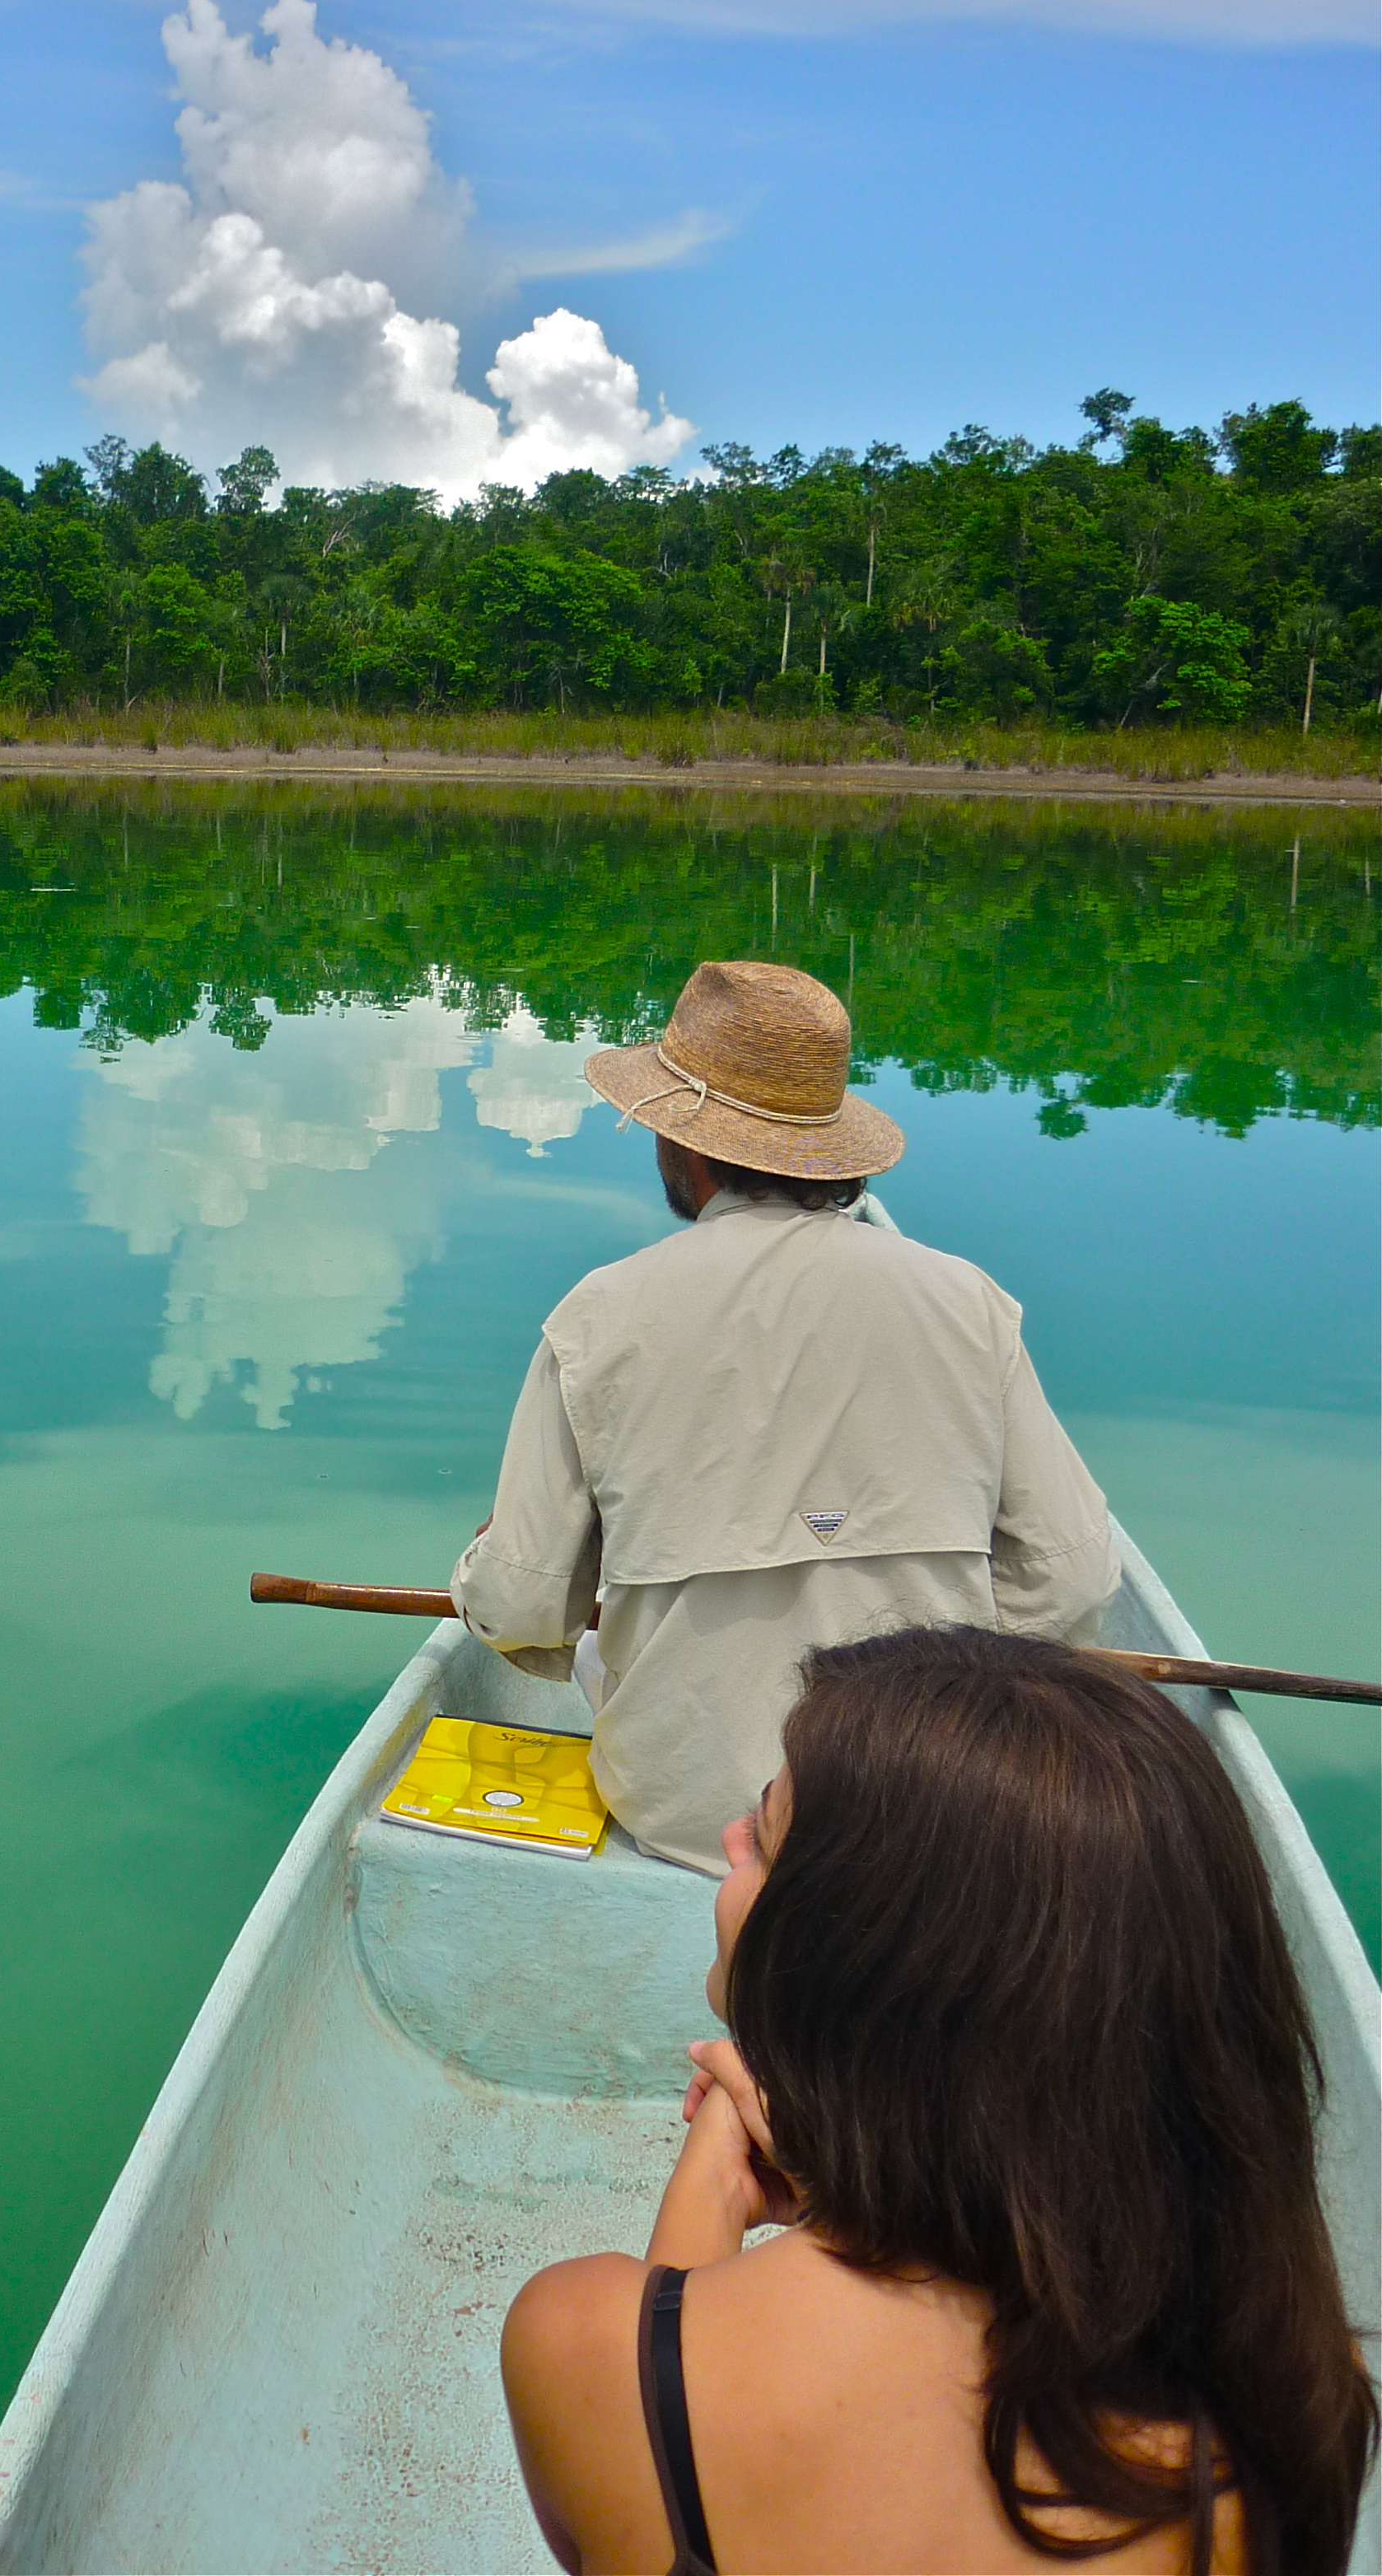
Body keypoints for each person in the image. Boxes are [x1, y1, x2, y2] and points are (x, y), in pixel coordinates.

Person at [501, 1628, 1379, 2576]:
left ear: (860, 1968)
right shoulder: (1282, 2409)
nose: (730, 1841)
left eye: (763, 1835)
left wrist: (712, 2186)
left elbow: (654, 2412)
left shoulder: (578, 2344)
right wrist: (853, 2196)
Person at [451, 956, 1118, 1873]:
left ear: (683, 1145)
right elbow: (1076, 1584)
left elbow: (524, 1604)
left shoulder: (601, 1315)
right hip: (923, 1809)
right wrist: (965, 1683)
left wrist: (479, 1571)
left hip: (688, 1811)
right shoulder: (969, 1302)